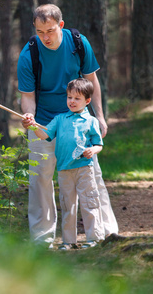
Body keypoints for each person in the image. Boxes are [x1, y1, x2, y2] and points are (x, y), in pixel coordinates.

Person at [17, 4, 118, 246]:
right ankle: (42, 238)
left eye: (50, 31)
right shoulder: (29, 53)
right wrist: (29, 119)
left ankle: (106, 233)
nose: (45, 37)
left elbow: (92, 81)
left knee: (91, 176)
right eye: (40, 32)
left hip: (79, 123)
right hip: (44, 122)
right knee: (40, 178)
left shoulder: (78, 43)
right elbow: (28, 96)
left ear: (60, 25)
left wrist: (100, 116)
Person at [31, 78, 105, 249]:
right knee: (67, 206)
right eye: (69, 97)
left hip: (84, 169)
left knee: (89, 202)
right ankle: (68, 242)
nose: (71, 101)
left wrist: (92, 151)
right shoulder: (60, 119)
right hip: (64, 171)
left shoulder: (91, 121)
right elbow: (45, 135)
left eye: (77, 98)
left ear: (87, 101)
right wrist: (33, 126)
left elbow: (98, 144)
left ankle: (94, 238)